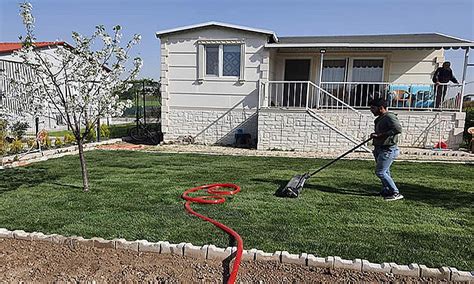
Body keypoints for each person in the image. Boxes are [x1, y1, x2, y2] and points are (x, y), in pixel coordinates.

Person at [369, 98, 403, 201]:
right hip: (380, 148)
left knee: (380, 172)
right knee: (385, 172)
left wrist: (381, 134)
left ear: (381, 108)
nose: (371, 110)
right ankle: (386, 190)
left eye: (373, 108)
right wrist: (376, 135)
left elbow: (398, 129)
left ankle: (395, 192)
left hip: (388, 149)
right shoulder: (380, 118)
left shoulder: (389, 117)